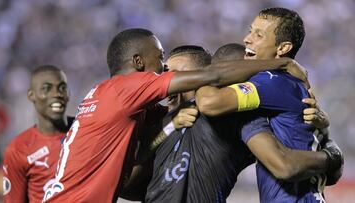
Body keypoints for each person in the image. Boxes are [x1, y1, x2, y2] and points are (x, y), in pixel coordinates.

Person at [42, 28, 307, 202]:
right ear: (138, 62)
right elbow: (129, 186)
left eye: (173, 72)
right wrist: (282, 63)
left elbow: (280, 158)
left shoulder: (115, 99)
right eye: (161, 61)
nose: (164, 73)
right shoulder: (128, 92)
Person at [145, 44, 341, 203]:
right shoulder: (163, 119)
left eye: (178, 75)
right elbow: (130, 177)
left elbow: (285, 164)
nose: (170, 81)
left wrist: (328, 143)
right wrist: (168, 127)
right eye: (166, 73)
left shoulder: (239, 117)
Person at [195, 8, 343, 202]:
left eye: (259, 35)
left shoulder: (272, 81)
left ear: (283, 48)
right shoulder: (287, 81)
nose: (247, 38)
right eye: (250, 30)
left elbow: (209, 103)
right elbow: (332, 174)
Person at [2, 65, 73, 203]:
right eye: (47, 88)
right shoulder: (18, 149)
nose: (56, 94)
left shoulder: (86, 130)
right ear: (31, 95)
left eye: (62, 88)